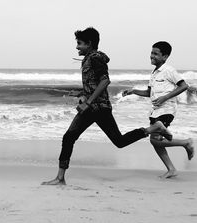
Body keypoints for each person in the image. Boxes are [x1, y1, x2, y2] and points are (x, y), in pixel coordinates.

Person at [41, 27, 172, 185]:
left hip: (99, 108)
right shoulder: (89, 58)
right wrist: (81, 93)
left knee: (115, 141)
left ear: (89, 44)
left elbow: (105, 81)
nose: (77, 47)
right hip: (92, 108)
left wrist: (88, 101)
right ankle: (60, 178)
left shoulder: (95, 58)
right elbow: (94, 84)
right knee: (72, 138)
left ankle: (153, 128)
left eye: (79, 43)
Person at [122, 41, 194, 179]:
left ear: (165, 56)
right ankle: (172, 168)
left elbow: (184, 86)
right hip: (155, 111)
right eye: (151, 53)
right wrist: (133, 91)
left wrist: (165, 97)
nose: (151, 56)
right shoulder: (154, 73)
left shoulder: (169, 70)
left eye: (156, 54)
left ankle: (186, 142)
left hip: (167, 110)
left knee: (155, 136)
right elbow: (149, 93)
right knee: (155, 141)